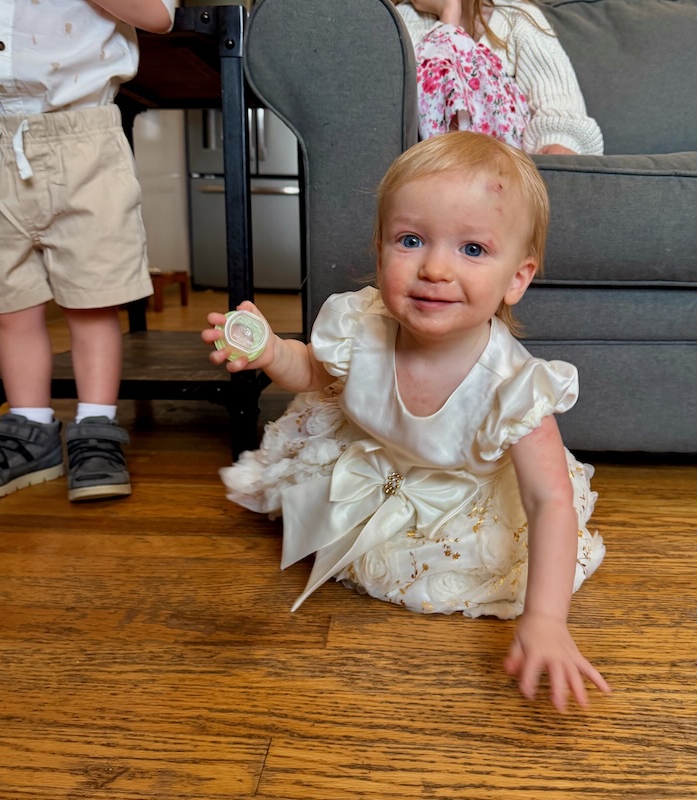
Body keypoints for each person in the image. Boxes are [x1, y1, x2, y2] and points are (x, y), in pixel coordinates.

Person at [203, 131, 609, 710]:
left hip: (461, 491)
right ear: (380, 250)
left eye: (472, 249)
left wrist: (546, 619)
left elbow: (549, 502)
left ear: (517, 278)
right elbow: (318, 375)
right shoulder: (361, 325)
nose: (436, 268)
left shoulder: (513, 387)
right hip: (381, 454)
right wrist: (272, 353)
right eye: (411, 240)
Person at [0, 0, 176, 501]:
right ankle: (30, 427)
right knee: (11, 303)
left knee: (92, 300)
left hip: (82, 137)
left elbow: (158, 15)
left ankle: (96, 427)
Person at [393, 0, 603, 155]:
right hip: (434, 166)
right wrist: (449, 15)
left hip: (510, 170)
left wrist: (554, 150)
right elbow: (419, 113)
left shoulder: (518, 19)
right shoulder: (398, 21)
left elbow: (562, 109)